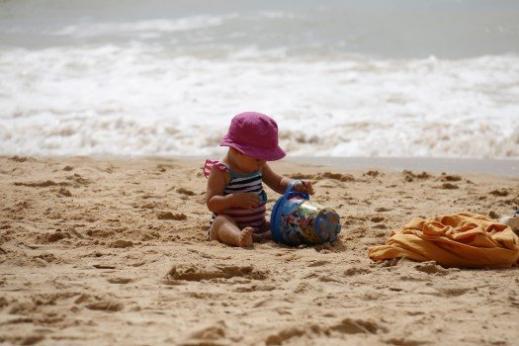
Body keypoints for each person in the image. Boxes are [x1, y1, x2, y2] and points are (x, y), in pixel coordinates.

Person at [203, 112, 314, 247]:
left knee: (281, 222)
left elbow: (278, 183)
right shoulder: (221, 171)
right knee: (221, 221)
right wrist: (233, 200)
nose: (262, 162)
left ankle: (258, 236)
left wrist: (294, 185)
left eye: (265, 157)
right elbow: (211, 203)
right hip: (229, 225)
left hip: (258, 224)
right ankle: (238, 238)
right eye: (257, 158)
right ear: (236, 150)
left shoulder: (258, 166)